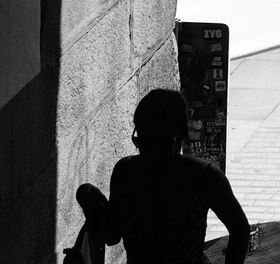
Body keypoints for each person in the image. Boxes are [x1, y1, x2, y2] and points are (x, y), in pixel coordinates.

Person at [76, 88, 251, 263]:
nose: (152, 153)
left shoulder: (205, 177)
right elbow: (112, 235)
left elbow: (240, 230)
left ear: (181, 135)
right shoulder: (125, 171)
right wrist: (94, 209)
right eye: (143, 142)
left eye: (162, 143)